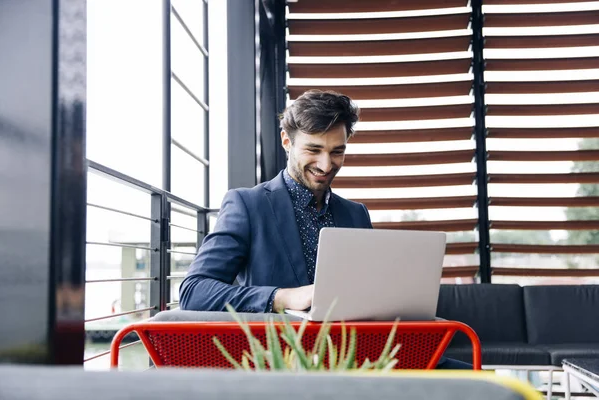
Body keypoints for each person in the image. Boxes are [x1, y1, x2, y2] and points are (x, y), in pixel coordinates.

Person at [179, 90, 471, 369]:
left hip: (356, 356)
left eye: (337, 152)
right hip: (281, 361)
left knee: (482, 383)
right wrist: (282, 297)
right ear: (286, 141)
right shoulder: (247, 204)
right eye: (314, 149)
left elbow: (366, 294)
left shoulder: (356, 214)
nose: (326, 164)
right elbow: (194, 291)